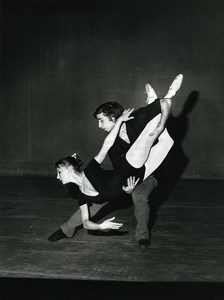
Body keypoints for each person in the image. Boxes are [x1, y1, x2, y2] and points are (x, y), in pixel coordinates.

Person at [48, 74, 183, 246]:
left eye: (101, 120)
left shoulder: (136, 119)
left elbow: (165, 107)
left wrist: (161, 125)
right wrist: (126, 188)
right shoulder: (113, 146)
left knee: (139, 196)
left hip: (150, 172)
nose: (99, 126)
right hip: (126, 176)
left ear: (113, 117)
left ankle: (142, 236)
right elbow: (118, 171)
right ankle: (66, 229)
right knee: (96, 201)